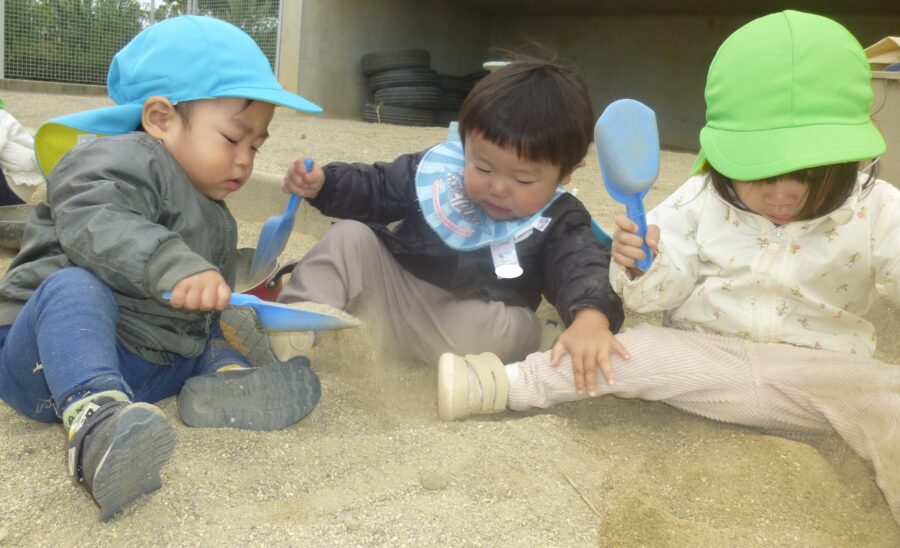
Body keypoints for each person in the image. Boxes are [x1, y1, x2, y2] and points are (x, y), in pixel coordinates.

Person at [435, 11, 900, 524]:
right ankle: (504, 384)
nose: (783, 193)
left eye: (810, 174)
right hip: (705, 359)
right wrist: (642, 265)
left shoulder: (875, 206)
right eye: (760, 171)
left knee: (891, 403)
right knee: (624, 351)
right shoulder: (699, 198)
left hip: (826, 377)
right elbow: (661, 290)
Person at [0, 16, 324, 521]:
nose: (245, 160)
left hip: (143, 361)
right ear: (159, 118)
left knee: (209, 328)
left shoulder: (210, 204)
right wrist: (176, 266)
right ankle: (96, 427)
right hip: (46, 359)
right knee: (75, 288)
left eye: (255, 146)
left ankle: (224, 382)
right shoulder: (117, 159)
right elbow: (96, 218)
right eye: (233, 138)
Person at [223, 60, 626, 387]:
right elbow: (378, 187)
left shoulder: (560, 218)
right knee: (350, 237)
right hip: (393, 294)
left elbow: (582, 264)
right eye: (483, 166)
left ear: (565, 173)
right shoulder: (438, 174)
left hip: (465, 321)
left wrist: (591, 317)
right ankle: (298, 325)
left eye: (523, 179)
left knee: (504, 330)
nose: (498, 187)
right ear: (465, 144)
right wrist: (326, 183)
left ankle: (539, 336)